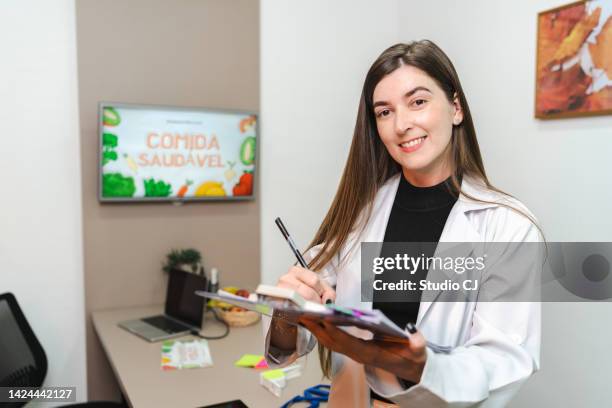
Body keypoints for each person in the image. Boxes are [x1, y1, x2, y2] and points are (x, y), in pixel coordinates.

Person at [264, 40, 543, 407]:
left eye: (418, 102)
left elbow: (505, 361)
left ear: (455, 108)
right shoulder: (362, 212)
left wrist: (424, 366)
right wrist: (288, 314)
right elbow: (287, 347)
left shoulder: (509, 227)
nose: (401, 125)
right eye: (384, 112)